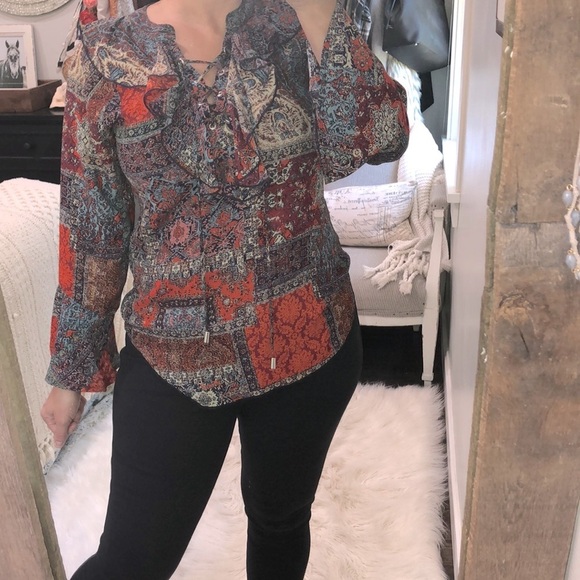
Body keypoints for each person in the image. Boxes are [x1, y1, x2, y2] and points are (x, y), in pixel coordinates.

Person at [41, 0, 409, 578]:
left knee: (281, 522)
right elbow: (93, 226)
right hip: (173, 354)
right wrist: (71, 373)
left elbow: (376, 140)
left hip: (308, 340)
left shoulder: (294, 26)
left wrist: (317, 13)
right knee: (131, 560)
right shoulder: (104, 56)